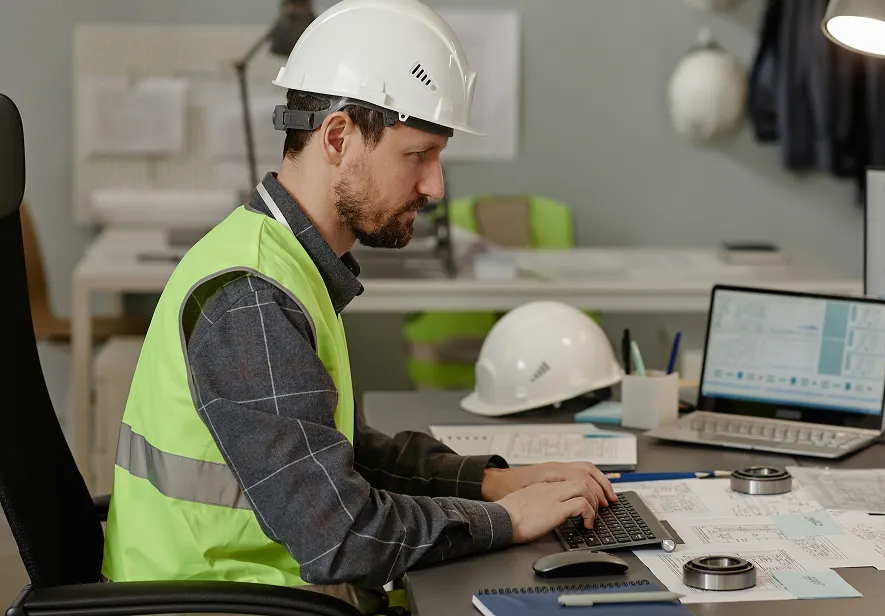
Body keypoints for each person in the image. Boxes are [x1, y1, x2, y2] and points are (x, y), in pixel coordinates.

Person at [99, 1, 617, 614]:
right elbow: (342, 535)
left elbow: (336, 450)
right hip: (222, 603)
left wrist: (491, 481)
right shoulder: (251, 296)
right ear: (338, 137)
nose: (435, 186)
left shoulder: (283, 260)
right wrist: (506, 520)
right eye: (418, 155)